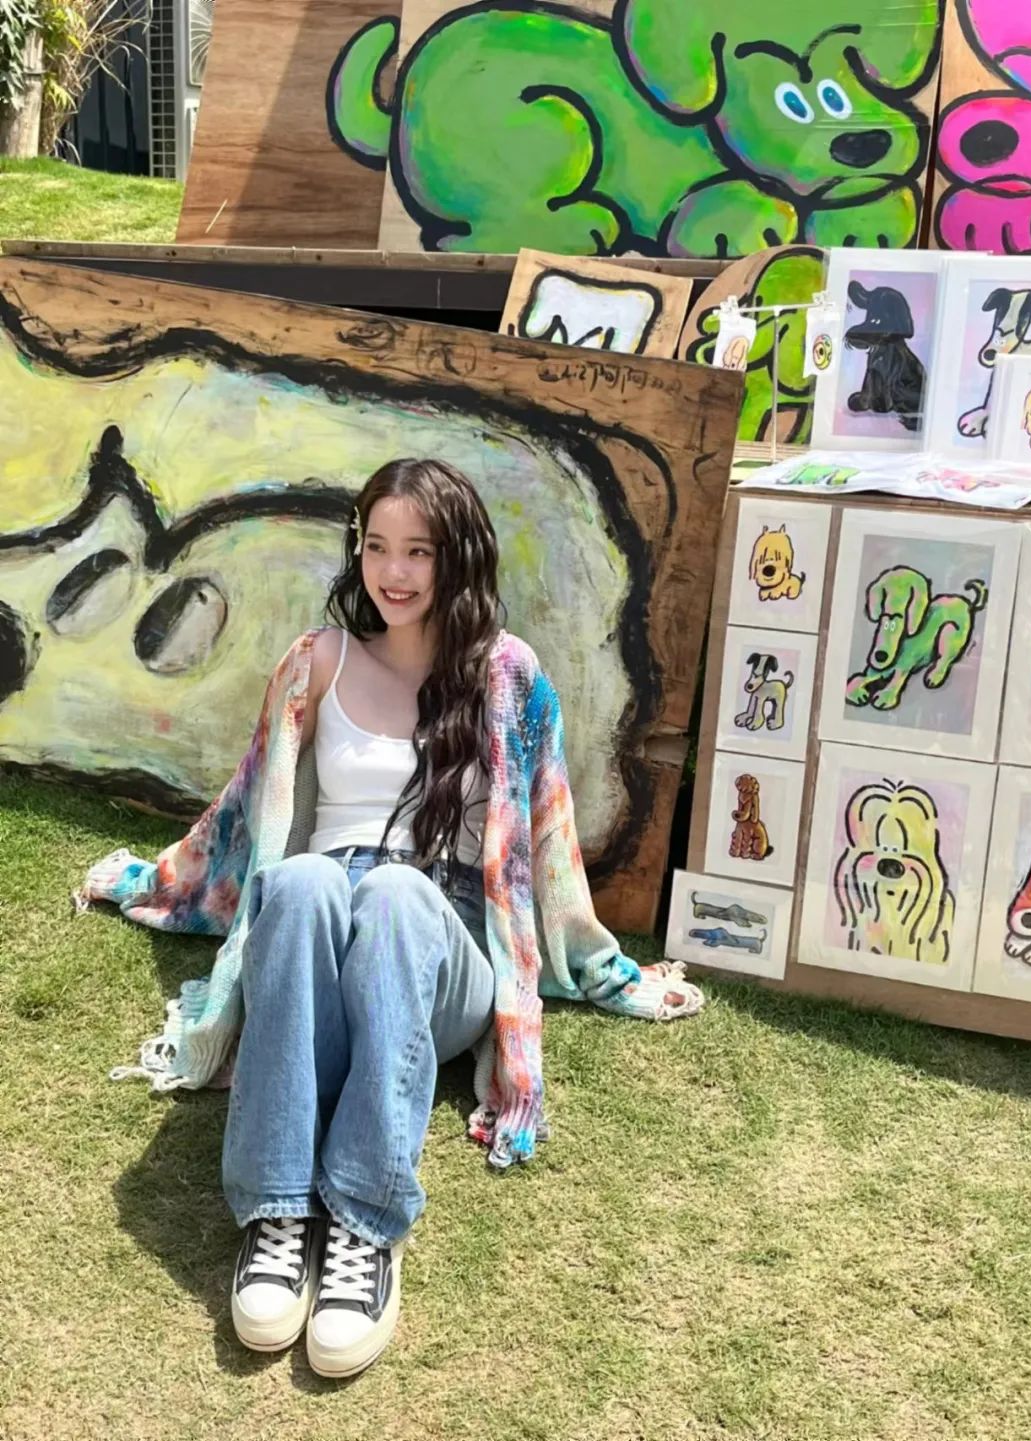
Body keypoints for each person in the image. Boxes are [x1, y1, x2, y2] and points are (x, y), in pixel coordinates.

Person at [79, 458, 703, 1380]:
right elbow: (251, 810)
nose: (395, 571)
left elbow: (547, 839)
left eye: (419, 551)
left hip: (436, 947)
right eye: (377, 547)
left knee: (397, 892)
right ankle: (277, 1213)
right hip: (322, 934)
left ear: (459, 557)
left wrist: (601, 965)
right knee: (298, 883)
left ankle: (365, 1225)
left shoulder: (507, 676)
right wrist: (168, 880)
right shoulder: (320, 660)